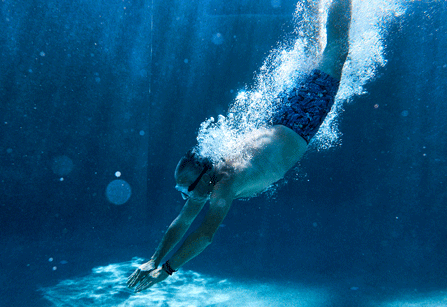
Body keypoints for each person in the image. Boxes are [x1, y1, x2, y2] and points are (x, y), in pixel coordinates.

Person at [127, 0, 352, 293]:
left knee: (335, 51)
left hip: (299, 121)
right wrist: (152, 260)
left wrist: (165, 271)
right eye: (182, 190)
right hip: (284, 116)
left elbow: (205, 235)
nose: (186, 195)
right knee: (313, 53)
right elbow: (183, 222)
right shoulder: (207, 179)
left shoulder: (225, 182)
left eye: (186, 188)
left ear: (203, 177)